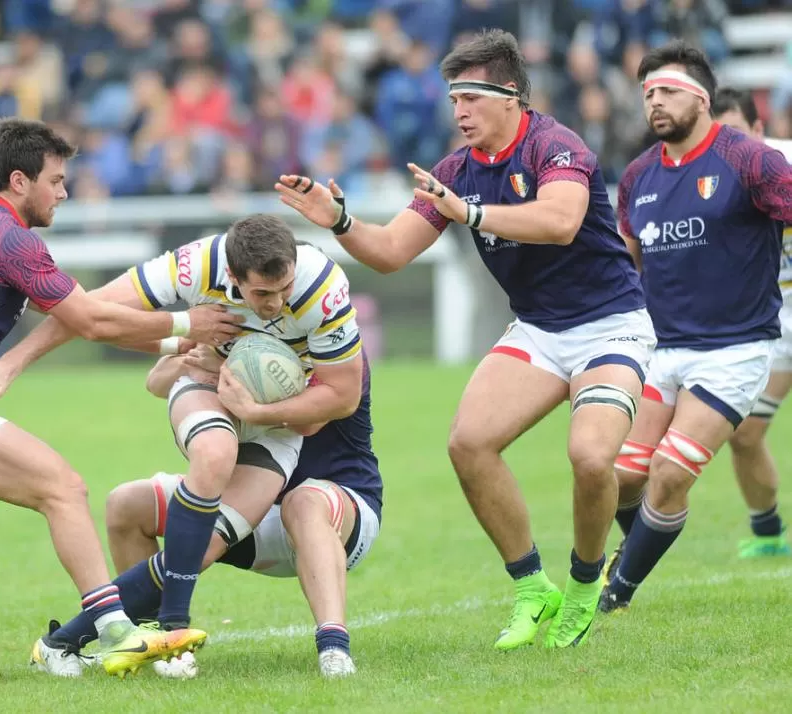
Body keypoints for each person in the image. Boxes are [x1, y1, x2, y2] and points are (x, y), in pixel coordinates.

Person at [275, 29, 654, 649]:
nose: (459, 112)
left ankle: (585, 585)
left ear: (509, 94)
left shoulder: (555, 146)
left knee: (590, 457)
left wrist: (469, 214)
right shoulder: (455, 172)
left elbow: (560, 222)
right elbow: (393, 250)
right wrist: (340, 221)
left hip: (611, 324)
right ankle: (533, 589)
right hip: (539, 329)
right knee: (469, 444)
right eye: (453, 100)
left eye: (471, 98)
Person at [0, 118, 238, 684]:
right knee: (64, 488)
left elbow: (82, 323)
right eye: (56, 181)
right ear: (19, 181)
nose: (63, 192)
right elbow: (88, 318)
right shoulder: (12, 237)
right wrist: (191, 317)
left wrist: (179, 341)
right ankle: (116, 631)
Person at [0, 215, 366, 670]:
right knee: (214, 451)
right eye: (263, 294)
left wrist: (258, 410)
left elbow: (341, 398)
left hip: (276, 430)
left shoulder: (321, 287)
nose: (277, 304)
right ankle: (172, 630)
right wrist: (13, 362)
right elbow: (87, 311)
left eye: (284, 289)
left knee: (197, 550)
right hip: (207, 389)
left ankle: (59, 645)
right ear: (232, 276)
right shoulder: (196, 266)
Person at [32, 344, 381, 679]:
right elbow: (156, 381)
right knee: (126, 502)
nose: (272, 303)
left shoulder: (335, 340)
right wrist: (194, 360)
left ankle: (334, 648)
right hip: (252, 511)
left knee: (303, 501)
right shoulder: (229, 320)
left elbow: (308, 423)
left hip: (339, 512)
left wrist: (232, 373)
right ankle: (154, 641)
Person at [599, 43, 792, 613]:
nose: (655, 102)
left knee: (668, 471)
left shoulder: (750, 160)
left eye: (667, 91)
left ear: (702, 99)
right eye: (648, 94)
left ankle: (617, 592)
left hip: (735, 350)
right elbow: (626, 260)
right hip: (663, 350)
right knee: (621, 473)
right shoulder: (638, 176)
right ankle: (638, 549)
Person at [710, 87, 791, 558]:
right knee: (743, 433)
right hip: (774, 320)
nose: (729, 148)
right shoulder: (710, 180)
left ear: (759, 130)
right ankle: (768, 535)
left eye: (736, 135)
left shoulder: (783, 164)